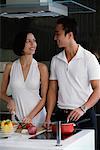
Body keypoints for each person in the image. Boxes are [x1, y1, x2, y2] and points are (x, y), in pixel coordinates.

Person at [45, 16, 100, 132]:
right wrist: (48, 116)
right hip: (61, 117)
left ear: (69, 35)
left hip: (84, 116)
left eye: (58, 34)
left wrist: (82, 108)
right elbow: (52, 90)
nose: (55, 38)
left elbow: (98, 89)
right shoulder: (56, 60)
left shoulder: (89, 58)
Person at [1, 31, 49, 127]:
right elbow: (1, 93)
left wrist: (30, 117)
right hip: (17, 118)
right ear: (20, 44)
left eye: (34, 40)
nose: (33, 44)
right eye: (28, 41)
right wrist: (9, 100)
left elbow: (44, 98)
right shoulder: (10, 67)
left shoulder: (41, 67)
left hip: (37, 117)